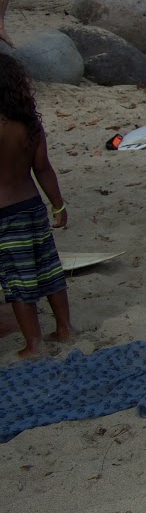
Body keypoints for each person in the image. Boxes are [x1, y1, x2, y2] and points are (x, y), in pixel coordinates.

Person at [0, 53, 71, 356]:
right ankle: (65, 328)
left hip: (4, 214)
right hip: (32, 206)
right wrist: (58, 204)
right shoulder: (29, 124)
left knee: (17, 280)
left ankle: (33, 343)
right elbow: (43, 168)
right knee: (48, 268)